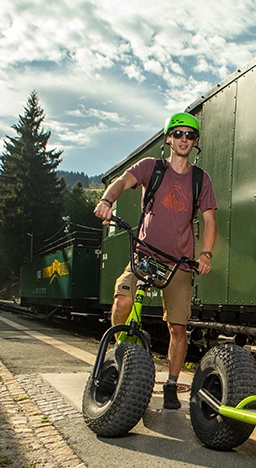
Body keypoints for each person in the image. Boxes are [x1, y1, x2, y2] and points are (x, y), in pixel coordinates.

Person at [94, 112, 217, 410]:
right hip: (144, 254)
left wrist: (205, 254)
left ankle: (172, 383)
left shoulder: (201, 179)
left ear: (195, 141)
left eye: (190, 135)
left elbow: (210, 220)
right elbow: (122, 181)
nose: (184, 139)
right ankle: (120, 353)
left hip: (178, 263)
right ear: (168, 139)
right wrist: (107, 200)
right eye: (178, 134)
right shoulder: (152, 168)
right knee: (122, 303)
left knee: (178, 327)